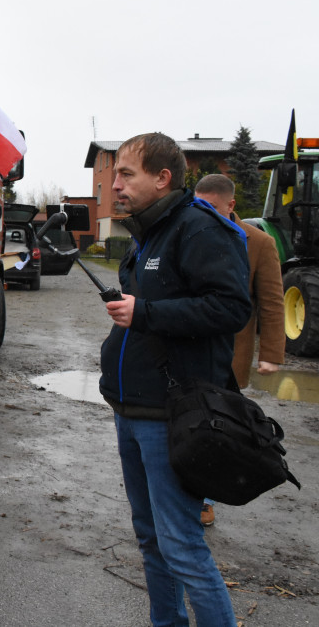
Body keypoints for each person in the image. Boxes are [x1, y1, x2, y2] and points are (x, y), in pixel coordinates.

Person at [99, 133, 251, 627]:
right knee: (149, 536)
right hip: (132, 409)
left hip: (173, 415)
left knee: (182, 543)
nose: (115, 184)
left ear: (162, 178)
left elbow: (231, 307)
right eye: (115, 174)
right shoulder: (147, 232)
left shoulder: (198, 229)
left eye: (126, 174)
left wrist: (146, 313)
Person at [194, 173, 285, 527]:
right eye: (197, 207)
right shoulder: (189, 234)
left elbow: (273, 302)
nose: (203, 214)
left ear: (231, 205)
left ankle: (204, 499)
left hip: (231, 352)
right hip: (190, 345)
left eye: (211, 208)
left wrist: (271, 354)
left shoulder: (259, 243)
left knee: (216, 426)